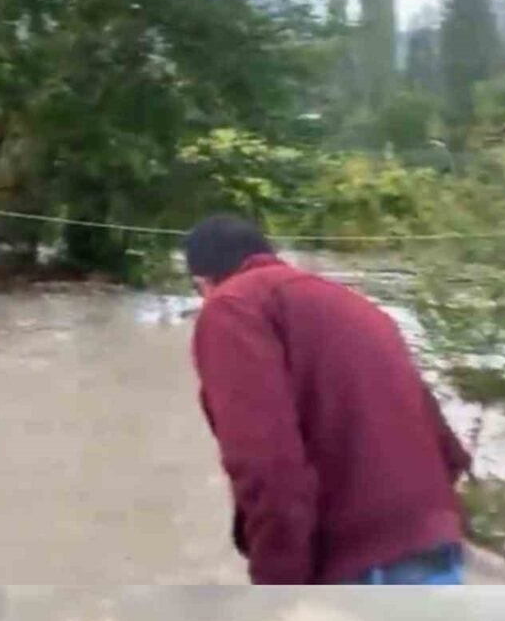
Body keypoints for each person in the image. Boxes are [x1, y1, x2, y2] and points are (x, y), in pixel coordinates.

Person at [184, 214, 472, 585]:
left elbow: (268, 465)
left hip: (364, 568)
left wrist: (278, 588)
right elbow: (446, 448)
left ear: (202, 281)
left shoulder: (231, 306)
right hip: (438, 547)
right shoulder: (358, 306)